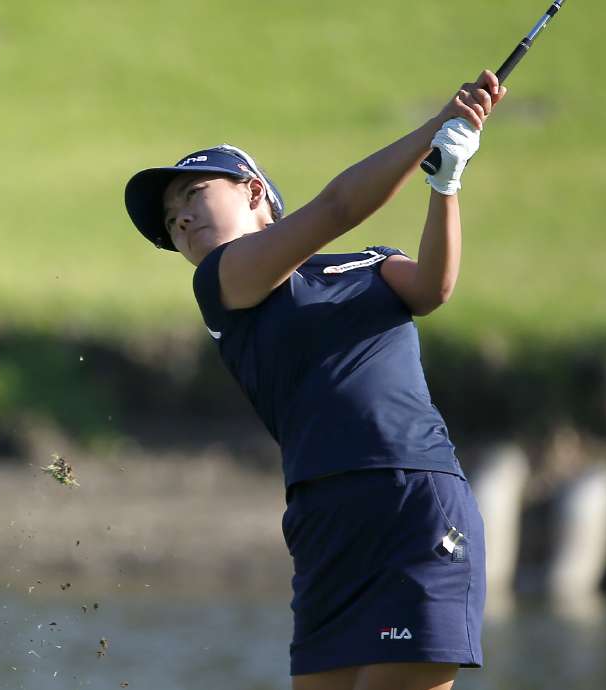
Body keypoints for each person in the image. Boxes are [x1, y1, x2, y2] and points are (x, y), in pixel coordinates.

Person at [122, 70, 507, 690]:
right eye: (170, 222)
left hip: (409, 496)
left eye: (193, 194)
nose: (181, 220)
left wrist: (446, 181)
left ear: (252, 192)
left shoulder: (371, 263)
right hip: (322, 519)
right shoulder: (224, 285)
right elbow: (336, 208)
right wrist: (433, 128)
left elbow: (432, 287)